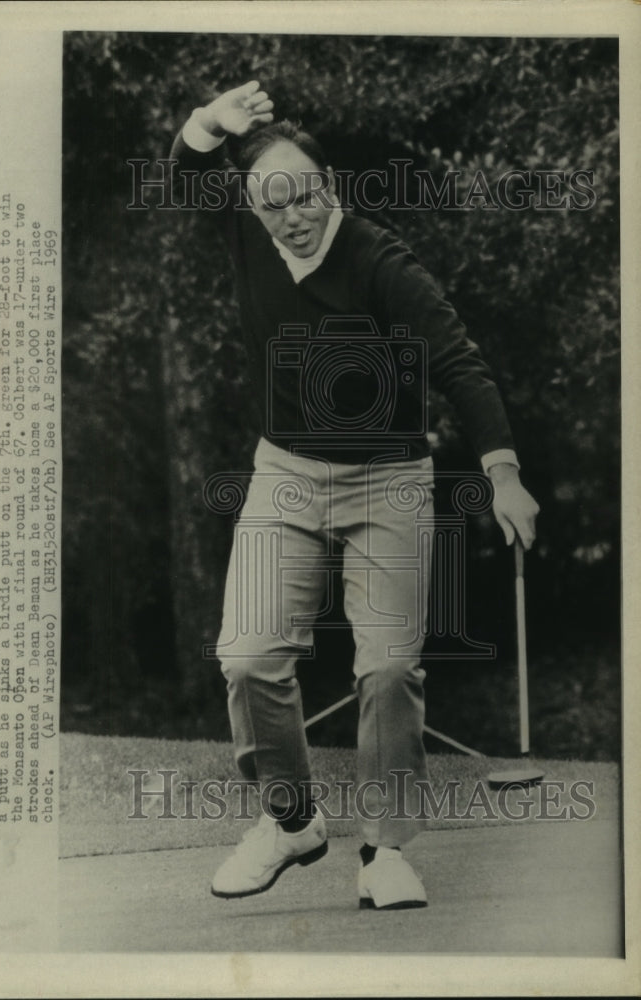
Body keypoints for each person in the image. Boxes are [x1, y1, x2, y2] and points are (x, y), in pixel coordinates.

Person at [169, 81, 539, 909]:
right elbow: (183, 168)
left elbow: (459, 362)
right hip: (286, 476)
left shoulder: (379, 262)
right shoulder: (245, 233)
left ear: (328, 188)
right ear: (253, 210)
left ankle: (386, 851)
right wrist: (205, 124)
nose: (291, 216)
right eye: (272, 205)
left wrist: (503, 473)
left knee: (388, 671)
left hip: (389, 481)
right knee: (249, 656)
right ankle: (292, 821)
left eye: (303, 195)